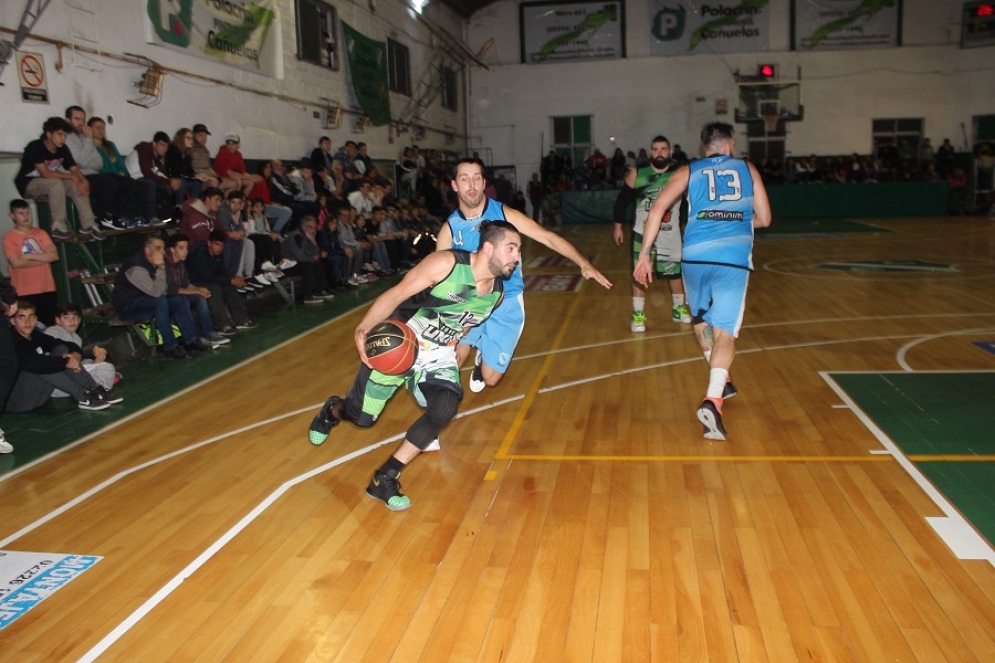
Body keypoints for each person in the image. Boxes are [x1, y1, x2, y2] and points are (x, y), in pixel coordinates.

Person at [307, 220, 522, 510]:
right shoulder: (446, 264)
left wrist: (461, 348)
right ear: (487, 248)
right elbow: (397, 294)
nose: (516, 257)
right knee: (361, 418)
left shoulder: (496, 295)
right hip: (400, 344)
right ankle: (333, 410)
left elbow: (466, 324)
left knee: (445, 407)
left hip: (437, 357)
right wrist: (364, 327)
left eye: (518, 250)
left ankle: (385, 477)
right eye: (511, 249)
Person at [634, 122, 771, 441]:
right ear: (730, 144)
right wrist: (737, 220)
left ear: (704, 146)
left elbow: (657, 208)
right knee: (724, 332)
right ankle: (713, 399)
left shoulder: (689, 170)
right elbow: (764, 218)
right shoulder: (747, 168)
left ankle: (721, 377)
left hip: (693, 256)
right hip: (731, 259)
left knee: (699, 319)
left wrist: (644, 255)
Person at [440, 157, 612, 398]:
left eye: (477, 178)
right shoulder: (450, 228)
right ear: (455, 185)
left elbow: (547, 237)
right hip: (470, 300)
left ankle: (483, 361)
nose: (472, 185)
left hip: (506, 300)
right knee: (453, 359)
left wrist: (583, 263)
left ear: (484, 182)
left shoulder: (503, 214)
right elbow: (438, 274)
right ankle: (435, 418)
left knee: (490, 379)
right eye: (464, 179)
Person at [613, 135, 691, 331]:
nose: (659, 153)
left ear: (670, 151)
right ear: (650, 152)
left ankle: (678, 308)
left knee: (675, 273)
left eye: (663, 149)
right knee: (639, 273)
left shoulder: (680, 172)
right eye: (655, 149)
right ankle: (638, 315)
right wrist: (617, 225)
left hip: (670, 232)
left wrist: (687, 225)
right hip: (642, 232)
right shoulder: (637, 173)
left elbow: (689, 202)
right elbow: (623, 199)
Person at [6, 299, 122, 412]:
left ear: (36, 319)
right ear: (12, 320)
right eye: (21, 317)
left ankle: (96, 389)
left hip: (39, 395)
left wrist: (75, 356)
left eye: (31, 317)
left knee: (61, 349)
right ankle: (82, 396)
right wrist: (66, 361)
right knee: (42, 364)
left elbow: (65, 344)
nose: (28, 322)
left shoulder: (35, 335)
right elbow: (33, 363)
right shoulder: (9, 341)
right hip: (18, 399)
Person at [112, 235, 215, 359]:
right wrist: (161, 269)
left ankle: (191, 340)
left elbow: (165, 289)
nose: (162, 251)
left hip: (147, 299)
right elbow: (157, 292)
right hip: (128, 306)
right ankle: (170, 346)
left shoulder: (155, 261)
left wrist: (197, 290)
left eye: (163, 248)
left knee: (179, 299)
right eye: (158, 248)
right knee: (160, 301)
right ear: (147, 250)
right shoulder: (136, 267)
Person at [14, 116, 106, 242]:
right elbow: (45, 173)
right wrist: (72, 176)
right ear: (49, 134)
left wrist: (84, 181)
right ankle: (58, 226)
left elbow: (74, 169)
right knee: (56, 183)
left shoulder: (63, 149)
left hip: (49, 181)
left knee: (76, 183)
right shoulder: (35, 147)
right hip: (28, 183)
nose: (63, 139)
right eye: (60, 135)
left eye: (65, 136)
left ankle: (89, 225)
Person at [164, 233, 230, 343]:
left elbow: (186, 283)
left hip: (178, 293)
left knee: (200, 297)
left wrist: (199, 290)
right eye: (181, 248)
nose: (185, 251)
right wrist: (196, 291)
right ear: (172, 249)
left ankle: (209, 332)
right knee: (183, 300)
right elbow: (172, 289)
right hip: (167, 296)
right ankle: (193, 337)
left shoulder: (181, 263)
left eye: (186, 248)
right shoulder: (165, 264)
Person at [187, 230, 258, 332]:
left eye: (222, 245)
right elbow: (205, 277)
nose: (219, 248)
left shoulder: (218, 254)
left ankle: (242, 320)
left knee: (229, 288)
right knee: (215, 289)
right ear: (209, 243)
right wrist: (230, 280)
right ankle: (223, 325)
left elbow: (222, 272)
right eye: (217, 244)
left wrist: (233, 279)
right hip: (195, 282)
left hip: (209, 280)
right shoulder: (199, 253)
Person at [4, 199, 59, 326]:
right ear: (12, 216)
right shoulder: (9, 237)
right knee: (29, 326)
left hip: (46, 287)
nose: (26, 216)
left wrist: (27, 256)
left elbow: (54, 256)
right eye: (21, 213)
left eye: (28, 212)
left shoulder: (41, 233)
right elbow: (16, 263)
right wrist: (42, 258)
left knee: (49, 325)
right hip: (24, 291)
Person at [44, 301, 118, 392]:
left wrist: (96, 362)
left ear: (80, 320)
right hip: (58, 380)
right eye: (66, 317)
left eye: (75, 317)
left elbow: (79, 364)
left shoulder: (77, 338)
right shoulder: (53, 331)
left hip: (75, 375)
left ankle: (97, 387)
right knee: (107, 368)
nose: (72, 321)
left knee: (106, 367)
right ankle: (96, 387)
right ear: (58, 320)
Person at [281, 216, 335, 304]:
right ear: (303, 227)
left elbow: (316, 254)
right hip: (288, 264)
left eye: (314, 228)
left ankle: (319, 290)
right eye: (310, 227)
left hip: (299, 262)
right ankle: (308, 295)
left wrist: (314, 243)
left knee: (317, 264)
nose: (313, 230)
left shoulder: (308, 237)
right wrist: (311, 258)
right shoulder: (296, 237)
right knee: (308, 265)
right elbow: (300, 256)